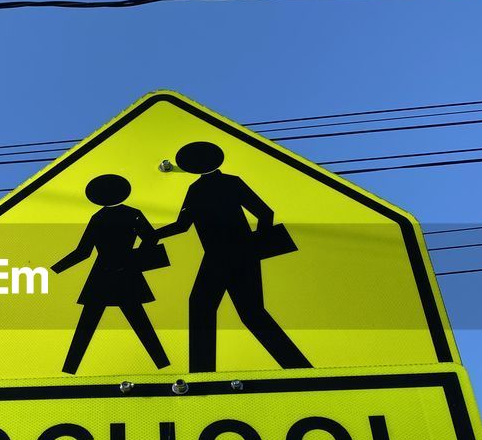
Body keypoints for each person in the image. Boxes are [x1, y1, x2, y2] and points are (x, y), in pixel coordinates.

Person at [156, 140, 310, 372]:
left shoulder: (215, 186)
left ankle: (203, 373)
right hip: (228, 256)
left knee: (219, 309)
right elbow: (184, 225)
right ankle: (296, 367)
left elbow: (264, 212)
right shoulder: (208, 187)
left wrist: (256, 245)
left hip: (228, 255)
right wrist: (154, 235)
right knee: (236, 311)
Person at [52, 174, 170, 375]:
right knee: (139, 320)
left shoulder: (98, 218)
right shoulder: (133, 213)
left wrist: (56, 269)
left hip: (102, 274)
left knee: (87, 324)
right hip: (126, 272)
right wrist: (133, 258)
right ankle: (163, 364)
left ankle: (69, 369)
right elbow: (151, 238)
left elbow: (83, 252)